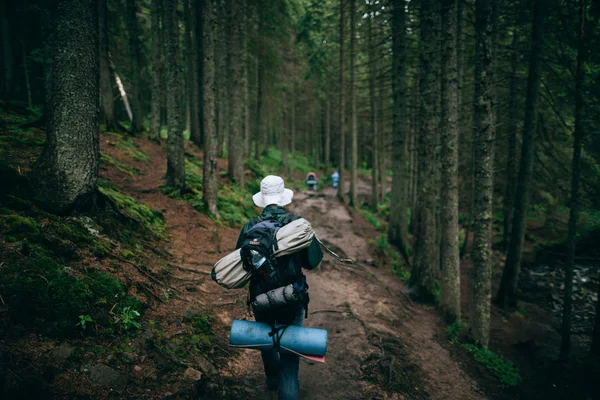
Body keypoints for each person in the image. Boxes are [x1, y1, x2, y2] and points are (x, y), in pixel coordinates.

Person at [235, 175, 323, 400]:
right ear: (283, 197)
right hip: (291, 296)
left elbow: (241, 262)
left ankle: (271, 378)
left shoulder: (250, 226)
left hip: (260, 296)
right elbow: (312, 261)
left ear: (262, 199)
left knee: (266, 336)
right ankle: (285, 386)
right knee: (289, 357)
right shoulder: (297, 224)